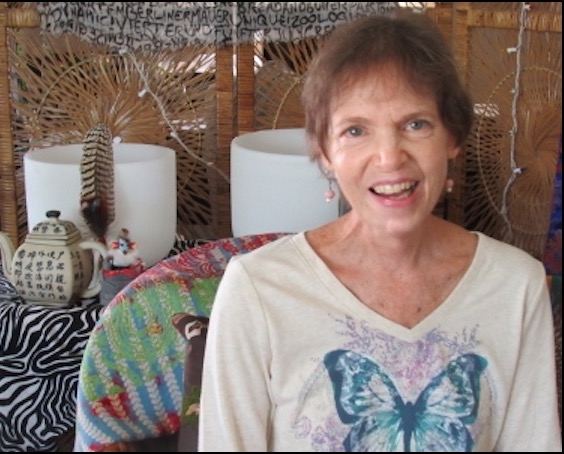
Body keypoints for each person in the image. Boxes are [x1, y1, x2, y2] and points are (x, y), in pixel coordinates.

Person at [198, 11, 562, 452]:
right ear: (325, 153)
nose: (389, 157)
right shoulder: (259, 290)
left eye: (415, 124)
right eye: (355, 130)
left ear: (452, 137)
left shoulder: (515, 287)